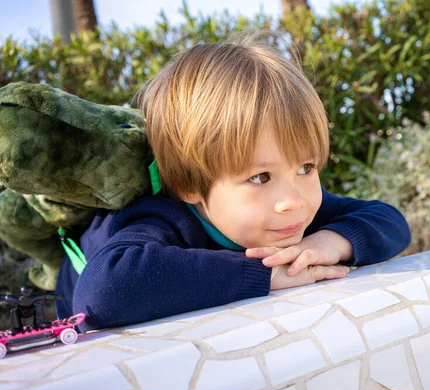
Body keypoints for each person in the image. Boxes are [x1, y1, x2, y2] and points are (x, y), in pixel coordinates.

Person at [54, 30, 411, 332]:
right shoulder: (163, 219)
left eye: (306, 167)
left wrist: (331, 242)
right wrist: (262, 275)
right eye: (260, 177)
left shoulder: (292, 212)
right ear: (190, 184)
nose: (294, 199)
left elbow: (391, 221)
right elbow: (103, 291)